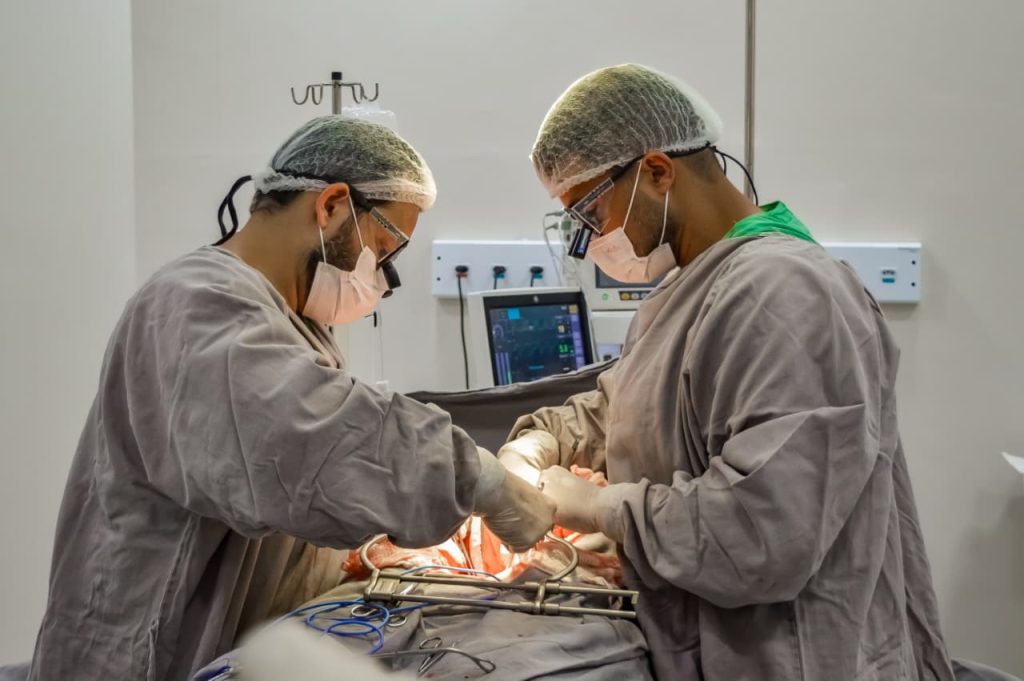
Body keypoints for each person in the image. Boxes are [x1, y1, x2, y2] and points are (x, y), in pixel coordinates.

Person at [26, 116, 554, 681]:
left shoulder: (282, 317)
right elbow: (312, 439)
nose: (383, 277)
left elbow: (293, 492)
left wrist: (363, 552)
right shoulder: (194, 302)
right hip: (146, 653)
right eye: (383, 248)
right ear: (331, 206)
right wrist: (481, 480)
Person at [500, 64, 955, 681]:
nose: (589, 240)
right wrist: (543, 439)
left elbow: (762, 533)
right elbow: (632, 405)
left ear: (657, 172)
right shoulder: (694, 287)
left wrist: (601, 508)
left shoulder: (785, 290)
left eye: (591, 211)